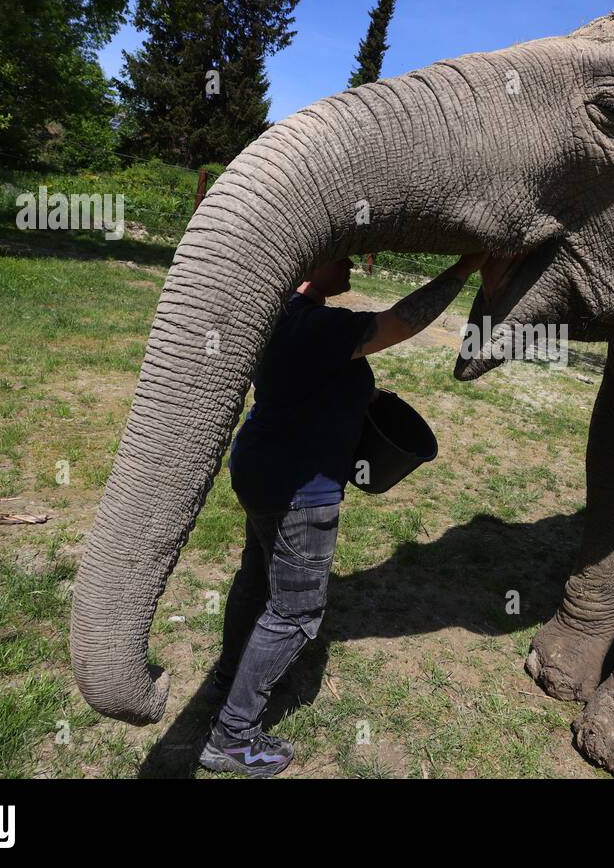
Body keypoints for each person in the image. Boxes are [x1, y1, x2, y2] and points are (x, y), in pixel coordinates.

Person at [198, 252, 486, 777]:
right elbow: (401, 322)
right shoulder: (317, 324)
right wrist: (464, 269)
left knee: (255, 580)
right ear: (308, 262)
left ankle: (226, 679)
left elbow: (310, 380)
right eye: (340, 253)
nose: (352, 261)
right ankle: (233, 735)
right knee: (295, 612)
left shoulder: (276, 313)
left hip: (262, 467)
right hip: (301, 490)